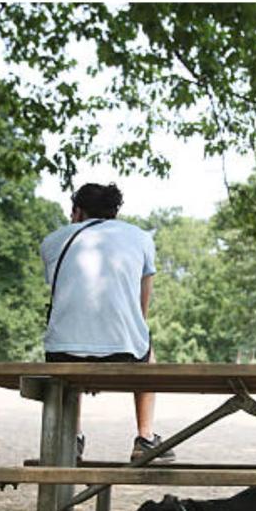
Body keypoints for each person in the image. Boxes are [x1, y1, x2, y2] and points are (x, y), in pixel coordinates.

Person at [40, 182, 174, 463]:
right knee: (148, 354)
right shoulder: (140, 238)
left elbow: (67, 295)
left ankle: (72, 438)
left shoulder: (52, 241)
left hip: (61, 351)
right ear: (114, 212)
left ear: (77, 211)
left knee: (67, 374)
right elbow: (142, 308)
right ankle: (146, 438)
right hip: (124, 351)